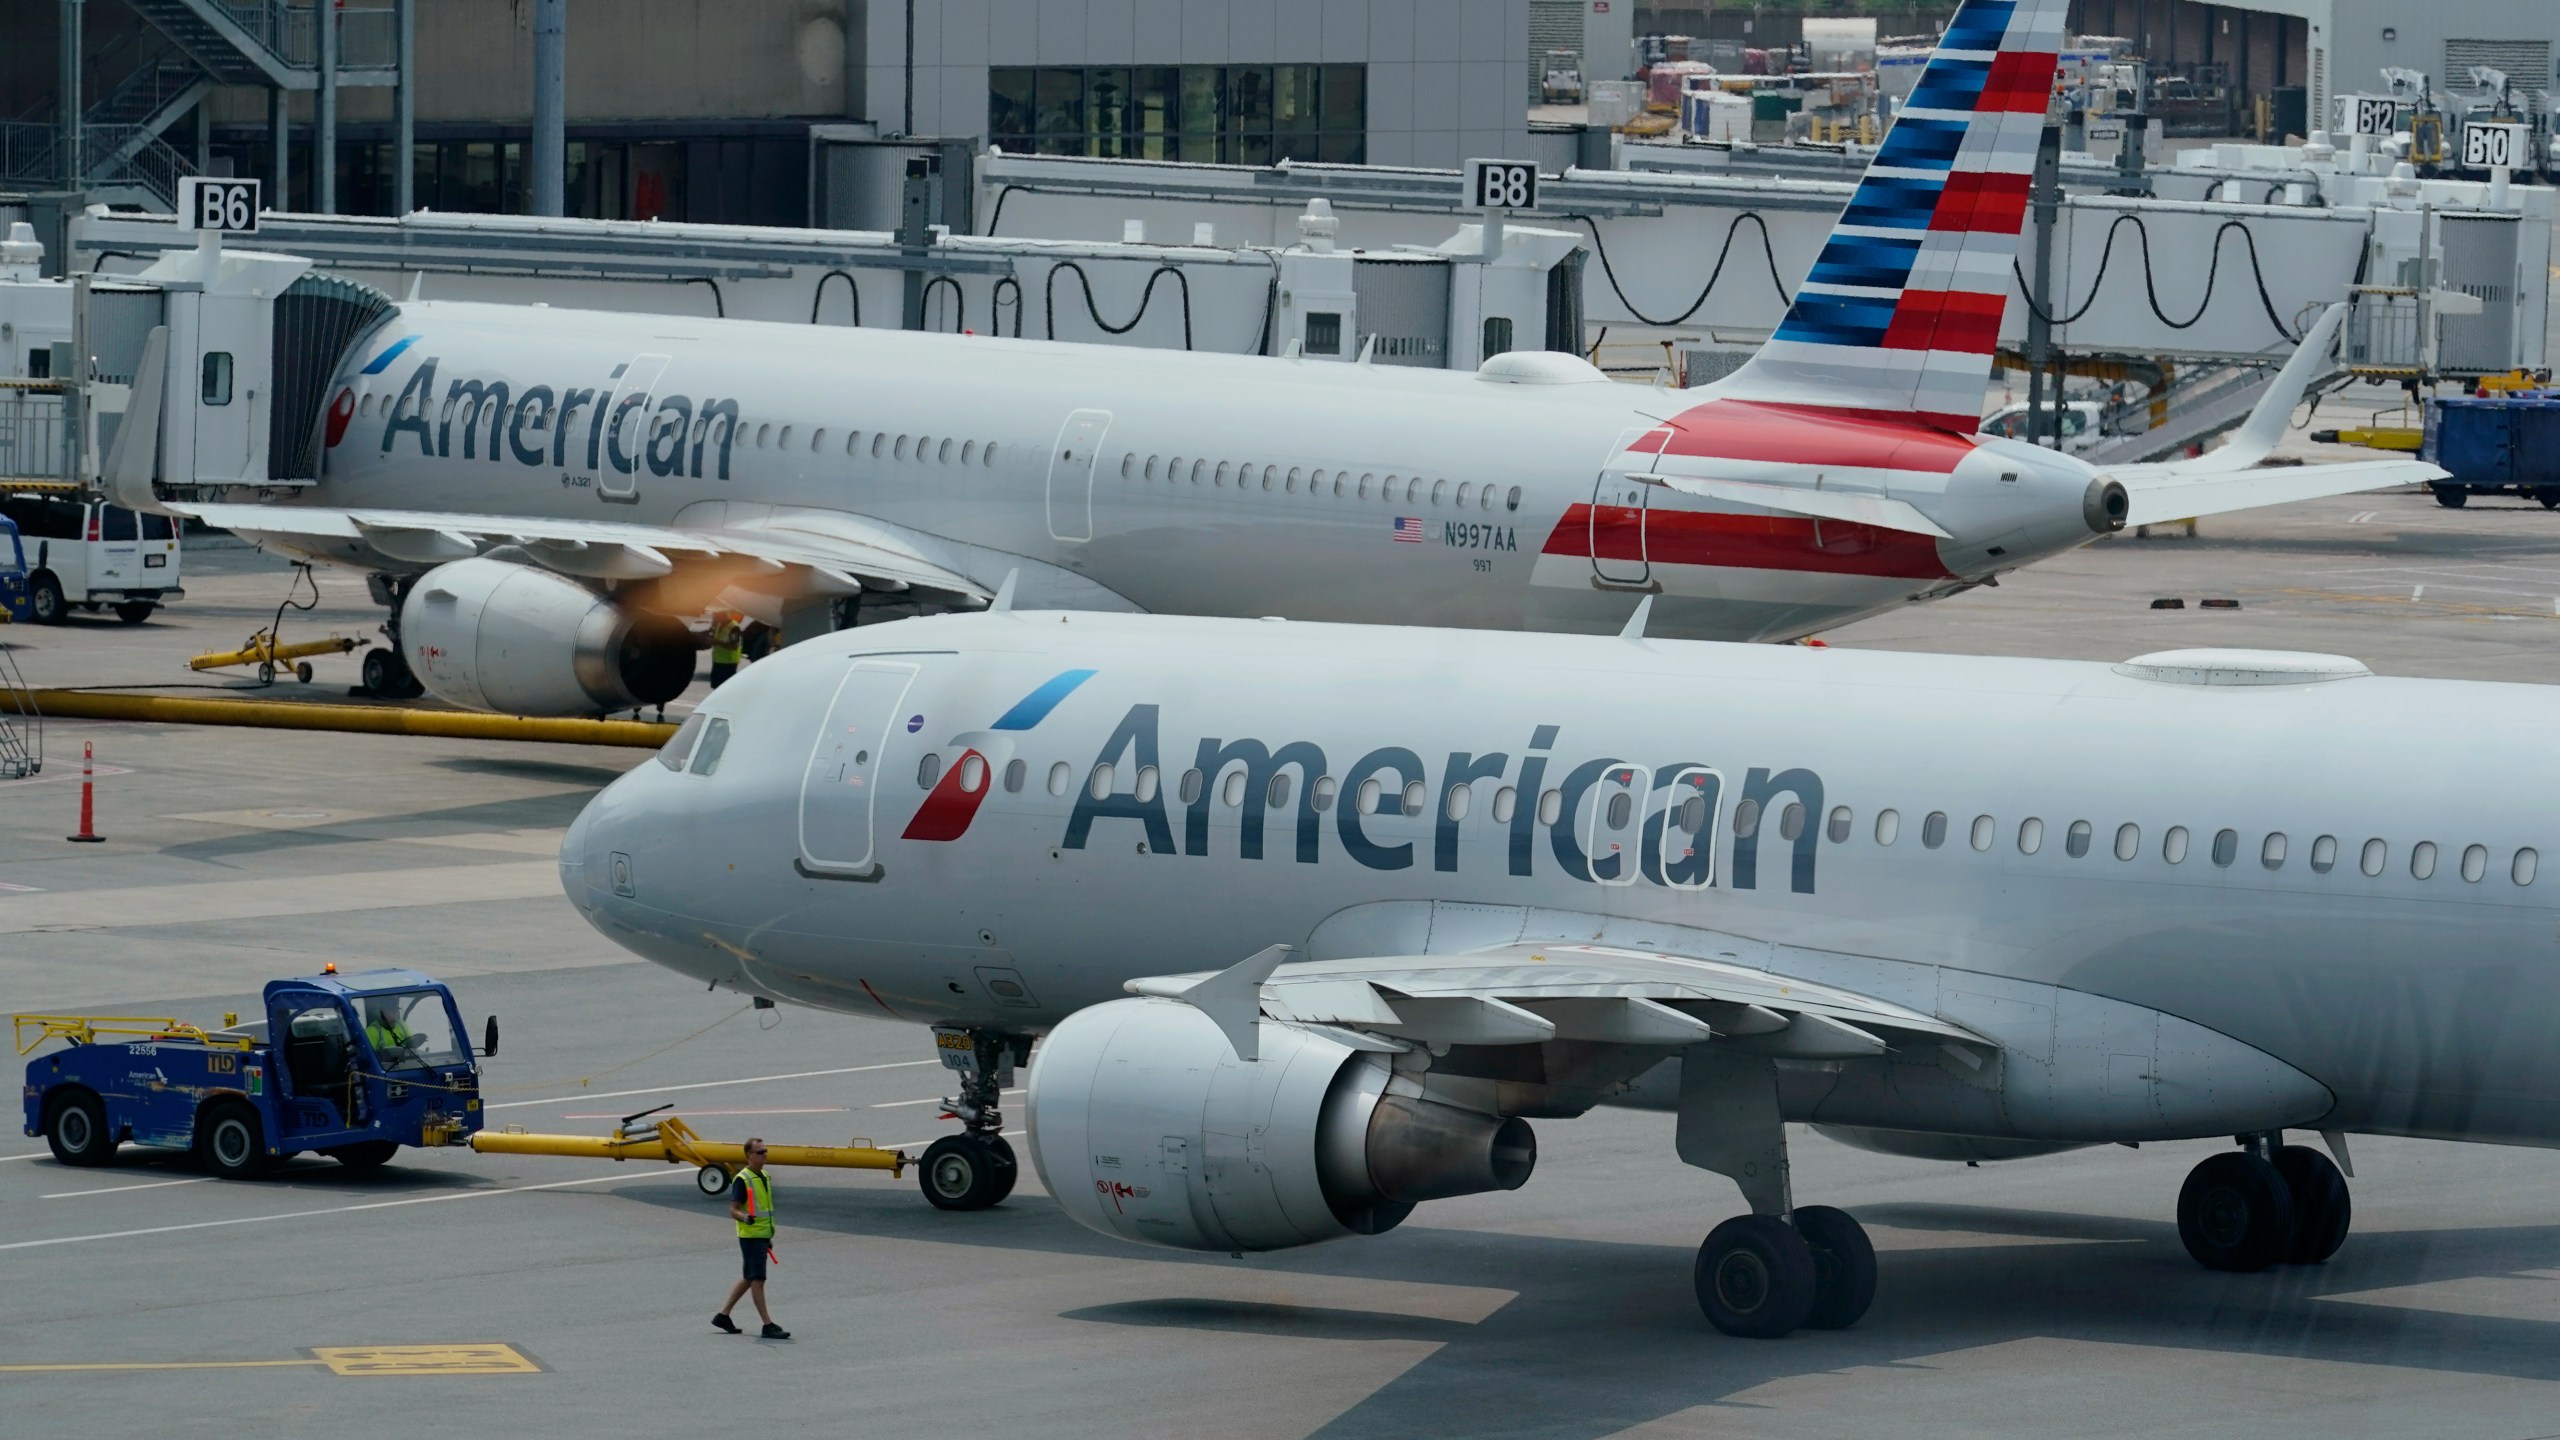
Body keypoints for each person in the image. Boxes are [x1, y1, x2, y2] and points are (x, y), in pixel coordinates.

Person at [713, 1140, 789, 1338]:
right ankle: (767, 1324)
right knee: (758, 1279)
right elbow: (733, 1209)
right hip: (751, 1237)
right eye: (760, 1152)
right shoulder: (743, 1179)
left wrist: (767, 1236)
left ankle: (723, 1315)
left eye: (765, 1151)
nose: (764, 1154)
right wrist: (745, 1218)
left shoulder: (764, 1176)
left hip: (761, 1235)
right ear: (749, 1156)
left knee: (749, 1276)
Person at [708, 612, 744, 688]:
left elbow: (734, 646)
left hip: (729, 663)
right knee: (716, 686)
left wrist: (717, 642)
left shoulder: (734, 627)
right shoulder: (719, 625)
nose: (713, 619)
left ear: (722, 616)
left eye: (715, 617)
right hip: (718, 661)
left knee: (725, 687)